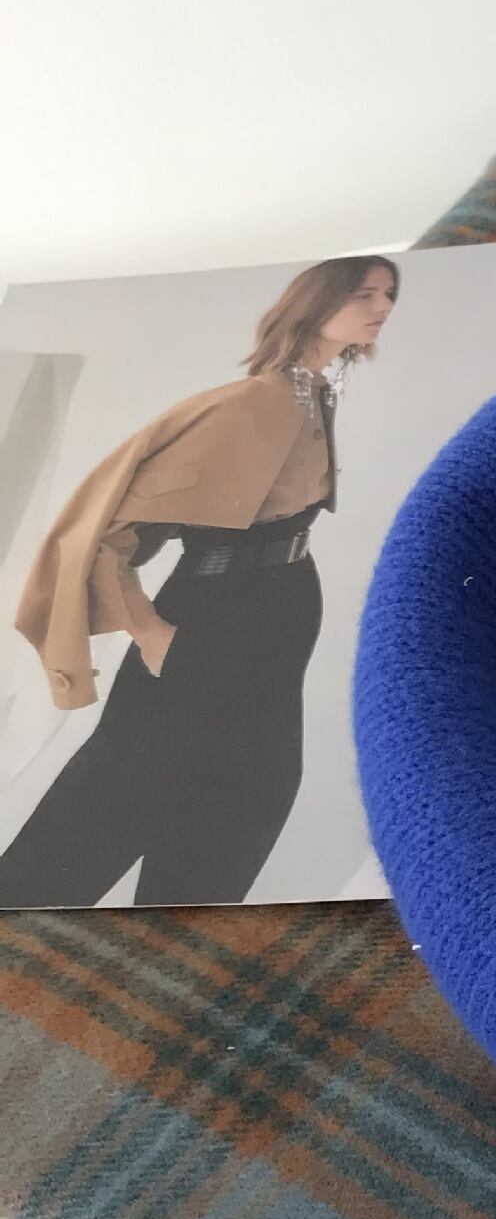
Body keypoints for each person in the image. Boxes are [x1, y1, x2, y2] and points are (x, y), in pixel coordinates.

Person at [0, 255, 398, 907]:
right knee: (114, 799)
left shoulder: (314, 393)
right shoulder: (249, 404)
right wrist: (149, 631)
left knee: (247, 799)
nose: (383, 306)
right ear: (315, 304)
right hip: (212, 619)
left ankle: (174, 939)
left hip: (277, 618)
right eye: (365, 293)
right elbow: (109, 531)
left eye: (389, 293)